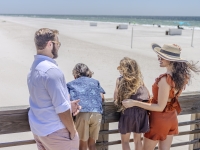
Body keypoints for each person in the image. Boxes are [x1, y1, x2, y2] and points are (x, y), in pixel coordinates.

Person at [122, 44, 200, 150]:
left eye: (162, 56)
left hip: (159, 120)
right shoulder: (182, 77)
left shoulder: (165, 80)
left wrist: (134, 103)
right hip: (172, 118)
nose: (159, 58)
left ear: (171, 60)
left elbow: (160, 107)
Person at [27, 28, 80, 150]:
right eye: (58, 44)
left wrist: (68, 104)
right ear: (50, 44)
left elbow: (43, 100)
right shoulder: (51, 71)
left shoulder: (33, 69)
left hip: (39, 130)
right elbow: (61, 108)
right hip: (55, 131)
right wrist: (73, 132)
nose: (58, 47)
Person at [114, 57, 150, 150]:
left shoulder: (120, 80)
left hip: (128, 113)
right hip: (141, 112)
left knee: (125, 141)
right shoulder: (140, 80)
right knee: (138, 140)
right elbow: (148, 95)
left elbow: (116, 98)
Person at [67, 63, 105, 150]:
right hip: (97, 113)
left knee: (82, 145)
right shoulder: (96, 82)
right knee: (92, 144)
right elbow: (102, 97)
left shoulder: (70, 84)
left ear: (75, 74)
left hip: (82, 113)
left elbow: (68, 99)